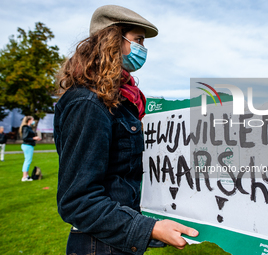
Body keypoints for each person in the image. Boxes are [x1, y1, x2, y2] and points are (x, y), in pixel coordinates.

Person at [54, 5, 199, 255]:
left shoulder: (123, 100)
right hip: (98, 245)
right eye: (138, 40)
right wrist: (149, 229)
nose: (144, 49)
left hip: (115, 240)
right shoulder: (87, 103)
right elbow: (77, 201)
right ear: (112, 40)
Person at [19, 116, 41, 181]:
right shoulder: (25, 127)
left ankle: (26, 175)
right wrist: (34, 138)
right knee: (27, 161)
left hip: (29, 145)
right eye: (32, 120)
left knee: (28, 160)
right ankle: (24, 177)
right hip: (27, 145)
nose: (33, 121)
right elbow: (25, 138)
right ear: (29, 120)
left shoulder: (28, 127)